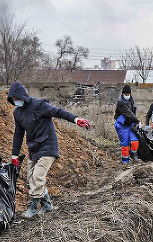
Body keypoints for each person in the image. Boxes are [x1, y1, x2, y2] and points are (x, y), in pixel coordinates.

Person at [7, 82, 91, 218]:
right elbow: (18, 134)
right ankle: (47, 205)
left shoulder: (39, 105)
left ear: (22, 96)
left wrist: (76, 119)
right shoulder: (17, 113)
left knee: (38, 177)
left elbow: (58, 112)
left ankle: (33, 207)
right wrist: (14, 155)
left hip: (48, 146)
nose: (15, 102)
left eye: (17, 98)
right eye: (13, 100)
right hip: (33, 148)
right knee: (31, 179)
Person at [114, 84, 141, 164]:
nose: (128, 96)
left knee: (135, 141)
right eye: (126, 94)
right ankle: (125, 161)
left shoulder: (130, 99)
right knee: (125, 145)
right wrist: (138, 121)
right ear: (122, 94)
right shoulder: (120, 102)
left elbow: (133, 111)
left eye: (129, 94)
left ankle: (133, 155)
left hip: (130, 124)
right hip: (121, 125)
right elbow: (128, 113)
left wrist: (135, 122)